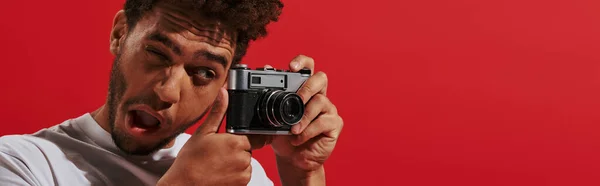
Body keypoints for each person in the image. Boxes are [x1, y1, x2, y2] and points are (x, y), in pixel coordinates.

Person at [0, 0, 344, 185]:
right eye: (157, 54)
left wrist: (303, 173)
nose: (167, 91)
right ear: (121, 34)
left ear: (224, 84)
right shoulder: (20, 163)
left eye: (203, 73)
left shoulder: (237, 174)